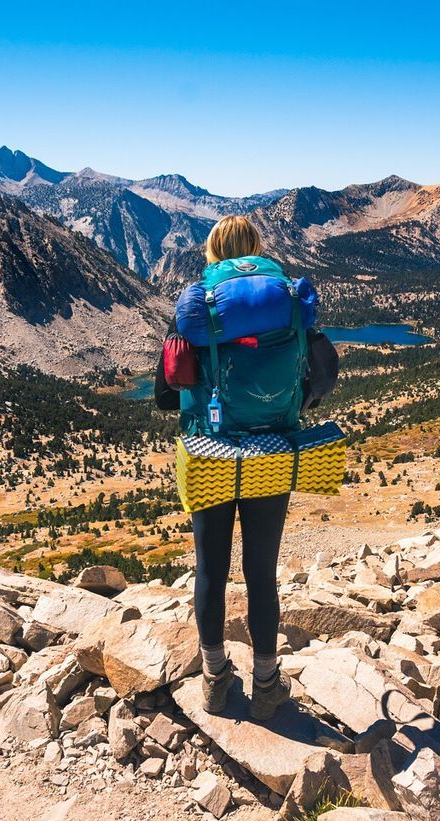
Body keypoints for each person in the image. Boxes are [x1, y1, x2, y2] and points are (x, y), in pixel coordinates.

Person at [174, 215, 299, 721]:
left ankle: (214, 680)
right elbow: (317, 372)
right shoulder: (285, 297)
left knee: (211, 568)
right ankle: (267, 684)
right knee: (261, 572)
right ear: (257, 247)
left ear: (212, 250)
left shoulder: (200, 303)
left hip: (211, 448)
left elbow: (168, 384)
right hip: (271, 445)